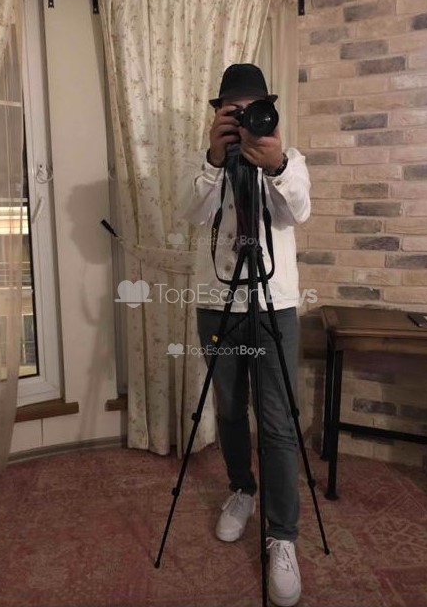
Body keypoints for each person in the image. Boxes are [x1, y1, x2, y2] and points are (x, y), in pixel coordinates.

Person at [180, 63, 311, 607]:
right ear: (218, 115)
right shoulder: (203, 163)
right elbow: (192, 213)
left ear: (269, 112)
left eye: (253, 110)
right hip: (218, 304)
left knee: (277, 421)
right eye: (233, 112)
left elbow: (297, 211)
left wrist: (274, 164)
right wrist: (216, 161)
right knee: (230, 409)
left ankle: (282, 536)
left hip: (274, 303)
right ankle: (241, 490)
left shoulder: (289, 159)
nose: (244, 120)